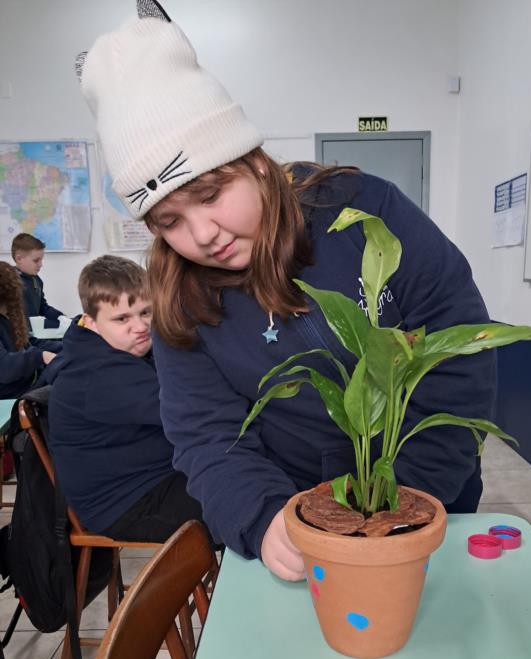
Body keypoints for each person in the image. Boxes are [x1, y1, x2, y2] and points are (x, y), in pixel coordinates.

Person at [78, 1, 495, 579]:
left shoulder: (364, 213)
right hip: (299, 521)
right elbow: (205, 434)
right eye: (168, 221)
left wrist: (400, 510)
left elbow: (459, 359)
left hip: (427, 507)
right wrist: (265, 516)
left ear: (252, 161)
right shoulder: (180, 299)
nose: (203, 235)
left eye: (211, 193)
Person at [48, 255, 209, 544]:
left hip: (152, 477)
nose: (140, 326)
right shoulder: (99, 374)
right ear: (91, 322)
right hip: (126, 504)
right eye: (122, 318)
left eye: (146, 312)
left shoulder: (118, 351)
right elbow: (191, 410)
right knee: (241, 502)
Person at [0, 260, 57, 399]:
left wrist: (65, 346)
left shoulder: (9, 317)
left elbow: (29, 342)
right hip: (13, 393)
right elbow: (5, 368)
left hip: (29, 382)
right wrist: (40, 356)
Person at [11, 233, 64, 329]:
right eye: (36, 260)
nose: (40, 264)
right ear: (19, 259)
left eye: (41, 260)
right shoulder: (9, 283)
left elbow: (42, 307)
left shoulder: (37, 280)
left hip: (34, 334)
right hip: (20, 337)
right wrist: (55, 325)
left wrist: (62, 317)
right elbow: (22, 321)